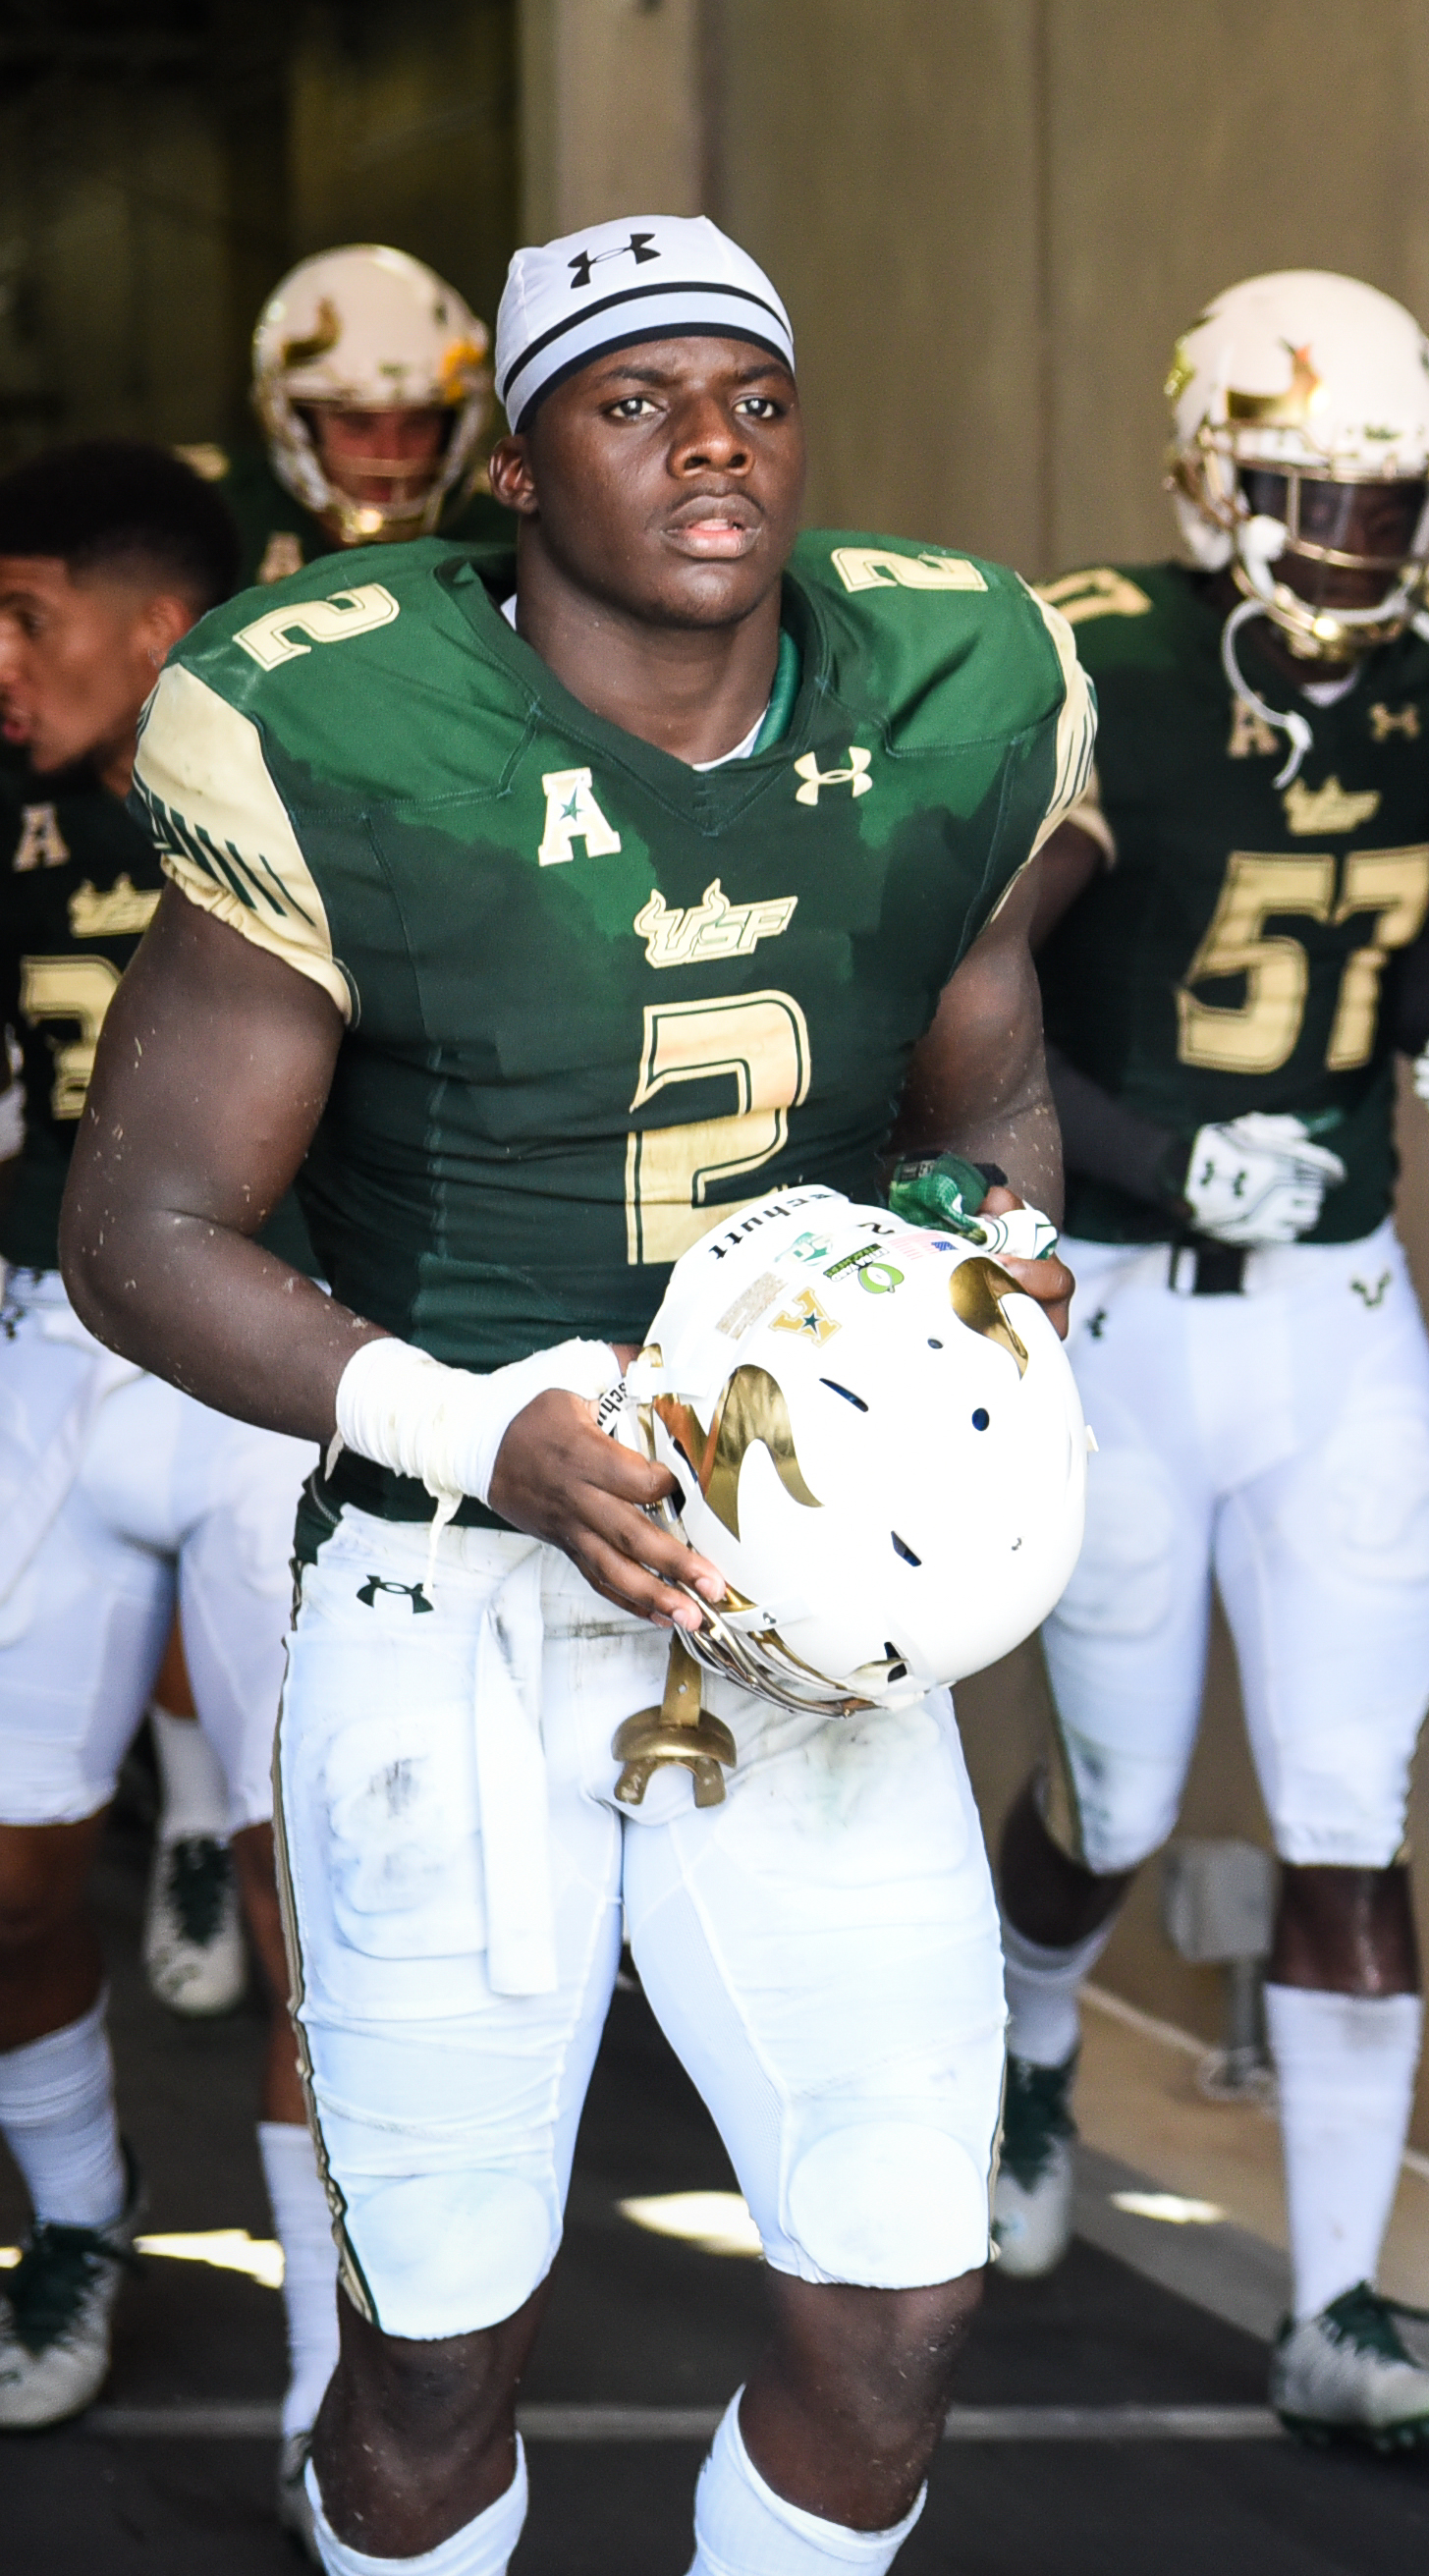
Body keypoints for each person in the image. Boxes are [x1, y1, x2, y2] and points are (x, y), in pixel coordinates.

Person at [66, 214, 1095, 2576]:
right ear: (514, 470)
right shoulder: (347, 719)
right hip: (457, 1589)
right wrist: (479, 1424)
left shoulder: (940, 681)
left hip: (803, 1611)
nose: (711, 444)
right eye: (634, 404)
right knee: (434, 2347)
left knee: (903, 2295)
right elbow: (142, 1238)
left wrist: (995, 1277)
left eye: (751, 394)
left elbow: (992, 1093)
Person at [984, 267, 1429, 2451]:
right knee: (1113, 1792)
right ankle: (1035, 2055)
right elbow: (975, 1004)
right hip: (1121, 1315)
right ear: (1211, 483)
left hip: (1343, 1317)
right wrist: (1137, 1153)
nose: (1354, 546)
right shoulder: (1095, 667)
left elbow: (1380, 923)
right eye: (1308, 496)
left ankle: (1338, 2304)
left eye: (1389, 504)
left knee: (1345, 1808)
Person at [0, 441, 338, 2456]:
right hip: (45, 1363)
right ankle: (84, 2220)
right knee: (15, 1883)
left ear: (165, 626)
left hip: (277, 1386)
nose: (2, 662)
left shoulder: (321, 792)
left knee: (318, 1905)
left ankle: (332, 2372)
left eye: (30, 616)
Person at [184, 244, 515, 589]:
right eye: (357, 424)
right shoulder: (208, 516)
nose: (391, 455)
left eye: (418, 423)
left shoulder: (505, 532)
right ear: (293, 422)